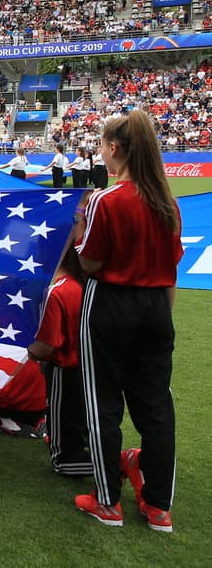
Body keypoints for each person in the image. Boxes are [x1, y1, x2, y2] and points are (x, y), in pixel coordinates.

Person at [74, 111, 182, 533]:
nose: (101, 153)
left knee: (103, 403)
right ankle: (158, 507)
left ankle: (107, 502)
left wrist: (82, 228)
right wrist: (160, 321)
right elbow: (170, 270)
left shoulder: (108, 200)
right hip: (156, 307)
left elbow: (90, 261)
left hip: (111, 305)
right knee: (156, 407)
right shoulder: (167, 203)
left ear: (114, 149)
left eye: (102, 146)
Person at [27, 199, 92, 477]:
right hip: (87, 368)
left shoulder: (60, 292)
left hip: (65, 369)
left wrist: (31, 350)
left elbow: (48, 344)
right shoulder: (83, 286)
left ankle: (117, 461)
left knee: (64, 448)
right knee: (78, 420)